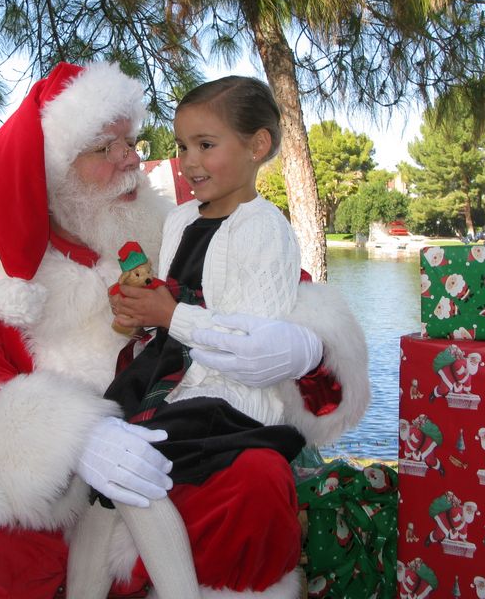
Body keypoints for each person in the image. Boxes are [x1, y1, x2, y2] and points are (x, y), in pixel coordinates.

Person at [0, 61, 369, 598]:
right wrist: (76, 438)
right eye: (105, 148)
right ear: (53, 171)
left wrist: (307, 343)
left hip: (170, 447)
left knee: (255, 482)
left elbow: (280, 290)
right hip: (39, 482)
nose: (132, 160)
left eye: (131, 141)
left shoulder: (173, 225)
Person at [67, 76, 309, 598]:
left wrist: (171, 315)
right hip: (166, 381)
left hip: (225, 401)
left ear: (257, 145)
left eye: (205, 145)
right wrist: (142, 310)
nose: (188, 161)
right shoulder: (179, 220)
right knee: (107, 470)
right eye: (180, 147)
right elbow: (180, 299)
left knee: (134, 470)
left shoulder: (266, 229)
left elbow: (250, 343)